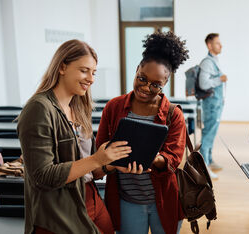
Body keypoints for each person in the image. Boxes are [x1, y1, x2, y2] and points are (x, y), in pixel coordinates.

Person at [17, 39, 130, 234]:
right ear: (62, 67)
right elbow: (42, 177)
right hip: (58, 210)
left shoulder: (79, 108)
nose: (91, 78)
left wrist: (111, 163)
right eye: (84, 70)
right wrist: (97, 159)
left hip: (90, 197)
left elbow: (90, 168)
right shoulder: (39, 108)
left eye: (93, 73)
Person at [95, 31, 189, 234]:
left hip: (163, 199)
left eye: (156, 85)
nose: (146, 88)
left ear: (166, 83)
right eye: (142, 78)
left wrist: (154, 159)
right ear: (137, 69)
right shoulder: (113, 107)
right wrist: (114, 164)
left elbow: (174, 158)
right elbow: (99, 153)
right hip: (126, 200)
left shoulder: (174, 114)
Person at [198, 33, 228, 179]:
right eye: (217, 43)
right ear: (209, 45)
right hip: (211, 104)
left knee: (212, 133)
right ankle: (203, 167)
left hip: (216, 104)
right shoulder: (207, 62)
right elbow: (203, 84)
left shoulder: (214, 60)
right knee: (208, 134)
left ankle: (209, 160)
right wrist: (219, 79)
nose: (220, 45)